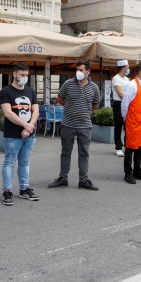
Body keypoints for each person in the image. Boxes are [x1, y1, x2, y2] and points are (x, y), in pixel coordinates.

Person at [49, 61, 101, 190]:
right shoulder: (68, 84)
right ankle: (63, 178)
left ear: (88, 72)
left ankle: (83, 180)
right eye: (77, 69)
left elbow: (96, 106)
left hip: (85, 125)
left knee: (84, 153)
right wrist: (71, 107)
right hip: (68, 124)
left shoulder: (94, 87)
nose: (78, 72)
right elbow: (60, 98)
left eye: (81, 70)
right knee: (66, 152)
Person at [0, 64, 39, 206]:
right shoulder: (6, 91)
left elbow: (35, 111)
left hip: (29, 134)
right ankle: (7, 191)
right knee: (9, 162)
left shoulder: (30, 91)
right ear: (14, 74)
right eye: (22, 74)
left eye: (26, 75)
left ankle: (24, 188)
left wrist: (29, 127)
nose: (25, 77)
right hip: (13, 134)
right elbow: (8, 113)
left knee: (24, 162)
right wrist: (25, 125)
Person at [121, 62, 141, 184]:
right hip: (133, 121)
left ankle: (137, 171)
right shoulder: (131, 85)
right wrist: (126, 118)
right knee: (130, 148)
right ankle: (128, 173)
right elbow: (125, 104)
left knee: (140, 147)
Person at [111, 60, 130, 157]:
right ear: (123, 68)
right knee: (119, 124)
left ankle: (128, 145)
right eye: (127, 67)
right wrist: (128, 99)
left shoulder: (127, 79)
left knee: (127, 125)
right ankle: (118, 147)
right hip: (118, 103)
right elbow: (120, 93)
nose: (128, 69)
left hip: (127, 103)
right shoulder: (116, 78)